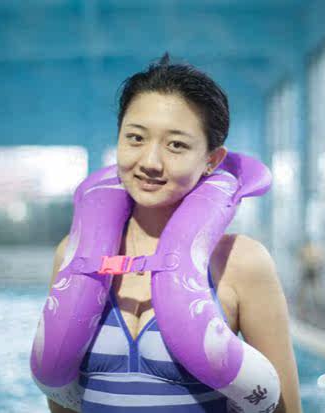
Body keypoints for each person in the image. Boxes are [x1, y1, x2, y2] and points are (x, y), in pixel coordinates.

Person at [47, 53, 302, 413]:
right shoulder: (74, 254)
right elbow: (59, 398)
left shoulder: (241, 262)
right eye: (135, 138)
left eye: (176, 145)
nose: (150, 162)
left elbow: (285, 409)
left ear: (212, 160)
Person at [295, 239, 325, 325]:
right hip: (308, 271)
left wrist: (315, 264)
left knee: (315, 292)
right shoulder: (308, 250)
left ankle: (317, 309)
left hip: (312, 271)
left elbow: (321, 260)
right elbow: (300, 259)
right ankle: (302, 309)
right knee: (304, 292)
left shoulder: (314, 250)